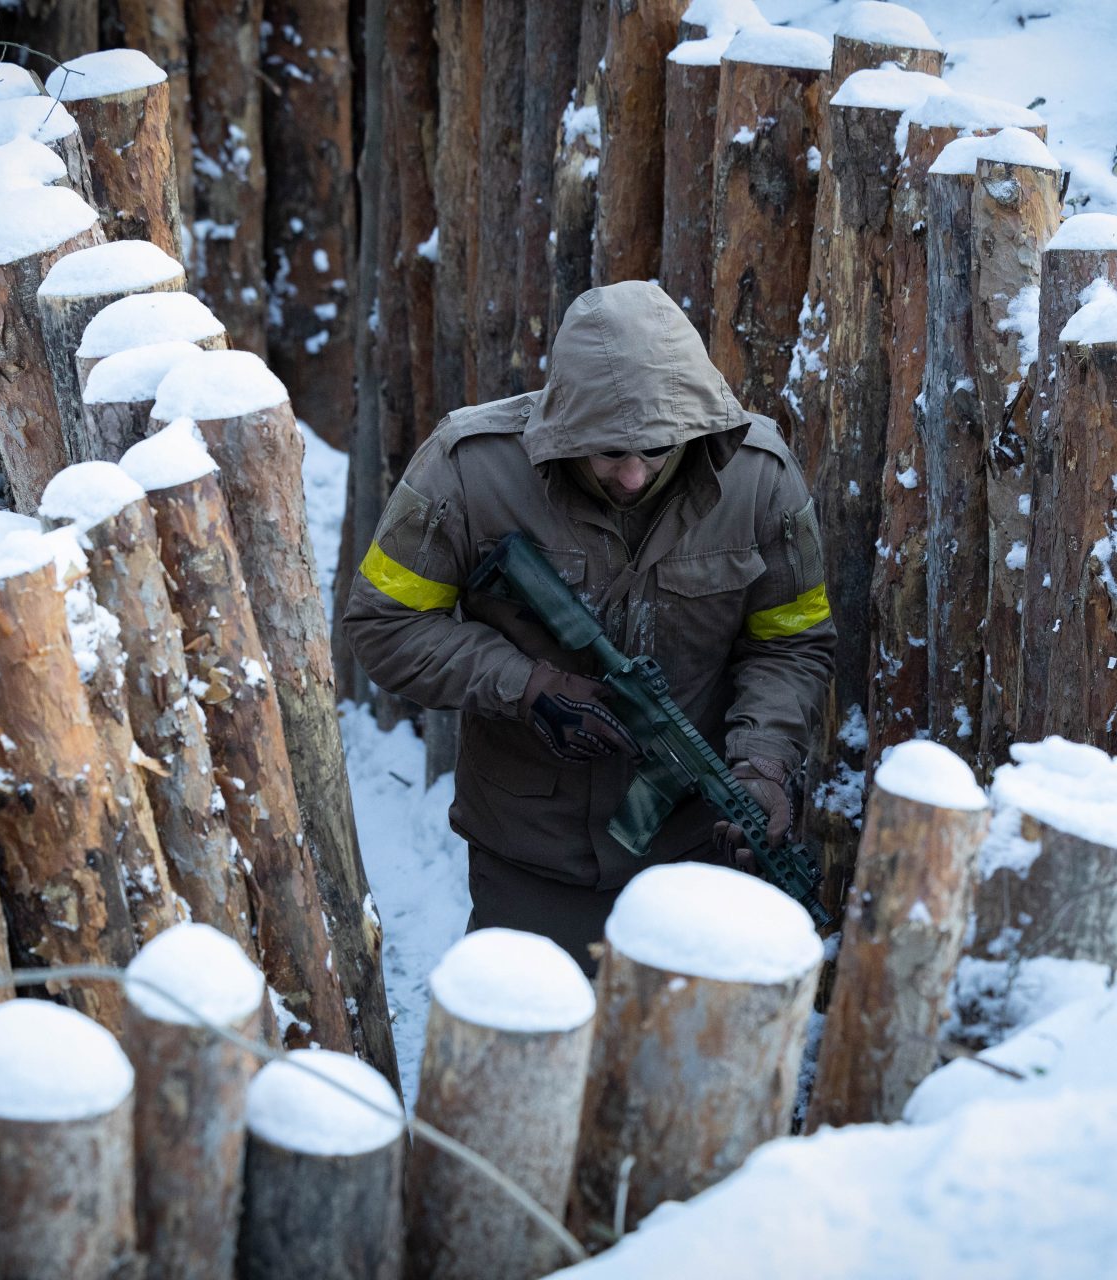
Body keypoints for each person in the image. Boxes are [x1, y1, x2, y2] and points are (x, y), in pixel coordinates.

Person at [344, 281, 835, 973]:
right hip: (531, 855)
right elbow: (384, 625)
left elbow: (790, 642)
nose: (633, 476)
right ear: (565, 425)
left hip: (693, 858)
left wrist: (762, 762)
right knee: (525, 1062)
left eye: (657, 450)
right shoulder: (470, 469)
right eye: (608, 453)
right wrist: (524, 686)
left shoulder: (759, 479)